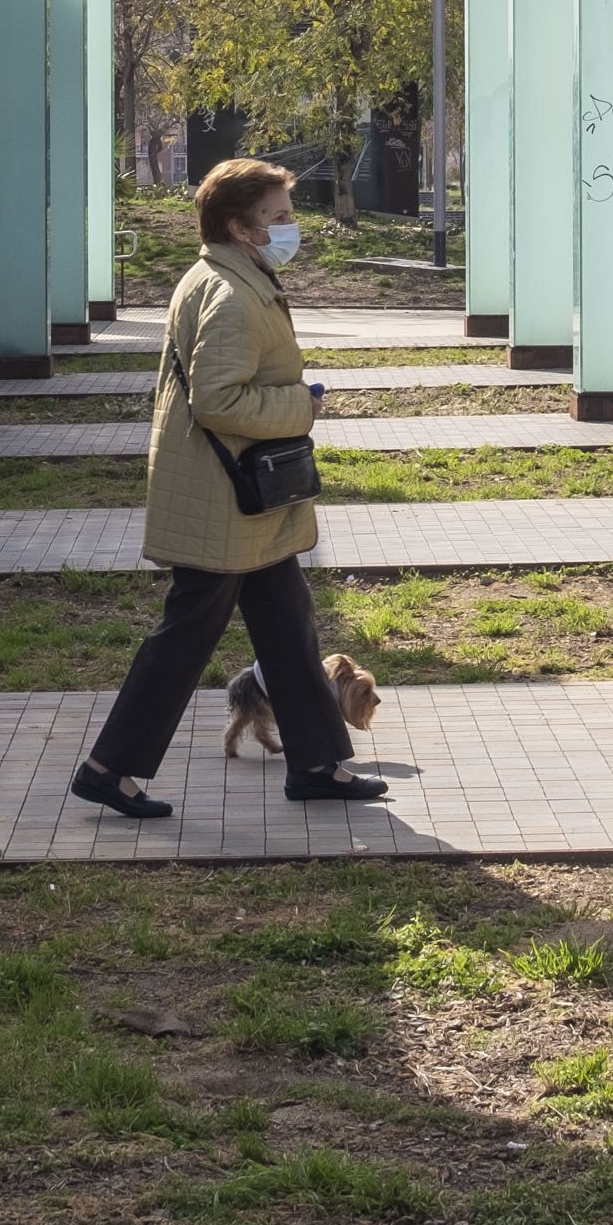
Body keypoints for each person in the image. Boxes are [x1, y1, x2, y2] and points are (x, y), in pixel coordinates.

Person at [70, 156, 383, 817]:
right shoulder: (233, 295)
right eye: (278, 216)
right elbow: (218, 400)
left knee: (290, 626)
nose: (290, 226)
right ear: (242, 226)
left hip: (241, 499)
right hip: (226, 499)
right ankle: (109, 767)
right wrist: (300, 405)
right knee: (184, 637)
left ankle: (320, 763)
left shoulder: (226, 273)